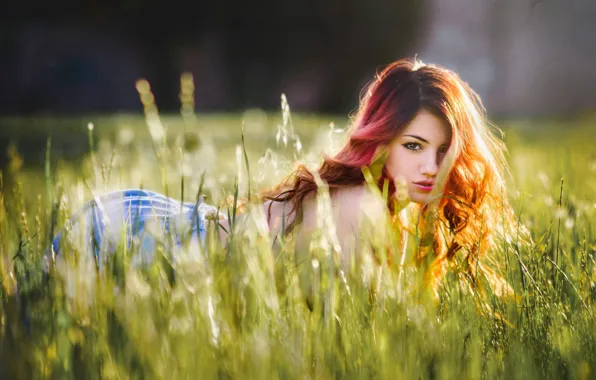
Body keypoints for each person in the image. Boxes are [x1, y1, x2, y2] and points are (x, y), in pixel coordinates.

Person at [50, 57, 526, 297]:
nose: (431, 166)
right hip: (139, 242)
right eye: (414, 146)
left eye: (444, 151)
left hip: (145, 216)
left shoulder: (377, 206)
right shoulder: (360, 209)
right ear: (380, 141)